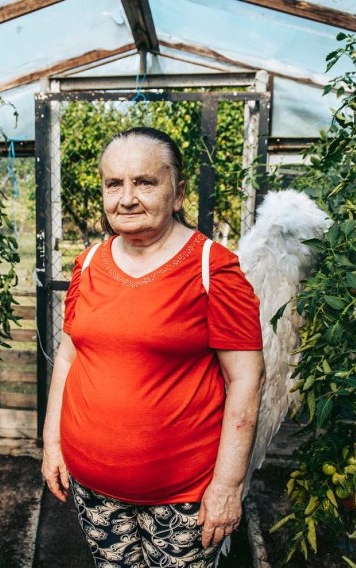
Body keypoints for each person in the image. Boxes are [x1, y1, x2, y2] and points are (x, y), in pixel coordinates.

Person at [41, 126, 265, 567]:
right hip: (94, 490)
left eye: (144, 182)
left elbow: (247, 379)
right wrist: (52, 443)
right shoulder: (88, 263)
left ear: (178, 193)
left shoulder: (212, 269)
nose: (126, 198)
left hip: (182, 499)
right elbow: (68, 357)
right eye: (114, 184)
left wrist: (227, 486)